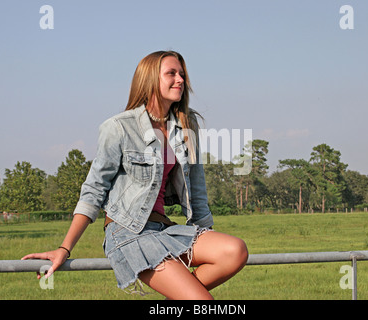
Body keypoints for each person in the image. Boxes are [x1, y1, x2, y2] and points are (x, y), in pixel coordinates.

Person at [22, 50, 248, 300]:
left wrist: (206, 235)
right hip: (128, 233)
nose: (180, 80)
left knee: (235, 250)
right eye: (171, 73)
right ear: (150, 79)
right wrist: (65, 248)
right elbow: (94, 190)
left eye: (182, 74)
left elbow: (197, 188)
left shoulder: (185, 124)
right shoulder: (119, 127)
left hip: (164, 229)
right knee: (201, 303)